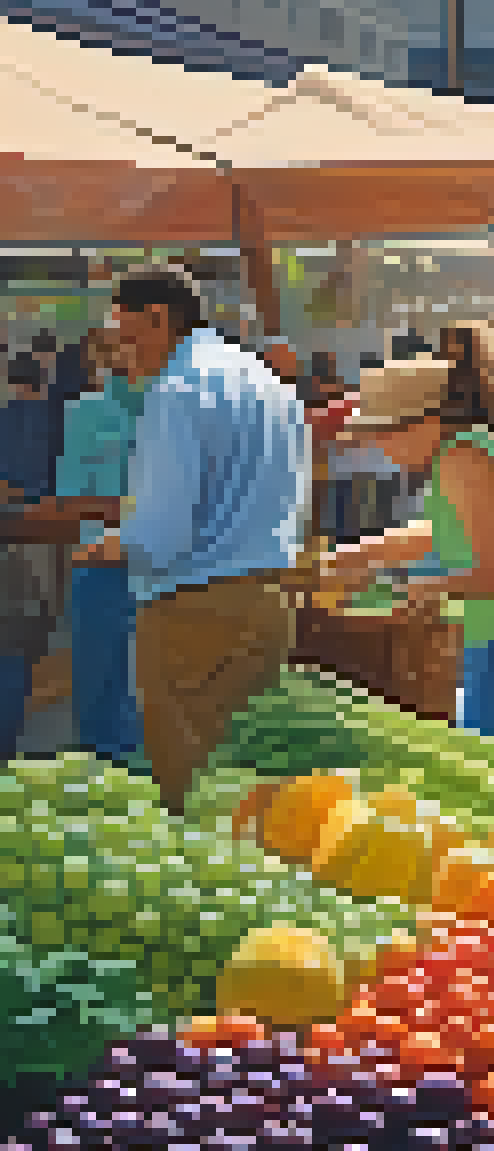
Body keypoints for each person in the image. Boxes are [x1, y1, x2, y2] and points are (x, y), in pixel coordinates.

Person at [86, 266, 308, 814]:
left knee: (193, 793)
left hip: (191, 610)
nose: (118, 348)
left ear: (157, 318)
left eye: (122, 329)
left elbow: (160, 533)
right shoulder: (268, 383)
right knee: (254, 786)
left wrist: (111, 545)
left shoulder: (176, 391)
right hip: (269, 600)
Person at [315, 323, 494, 738]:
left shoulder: (463, 458)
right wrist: (355, 557)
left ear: (426, 421)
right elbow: (441, 536)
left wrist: (421, 589)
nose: (380, 449)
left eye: (384, 434)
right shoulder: (461, 453)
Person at [54, 331, 147, 764]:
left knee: (156, 690)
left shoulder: (180, 413)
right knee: (99, 690)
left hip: (165, 568)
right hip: (102, 567)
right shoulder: (84, 412)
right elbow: (71, 498)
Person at [0, 351, 70, 757]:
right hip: (44, 532)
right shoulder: (56, 418)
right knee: (23, 636)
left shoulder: (6, 416)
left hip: (14, 528)